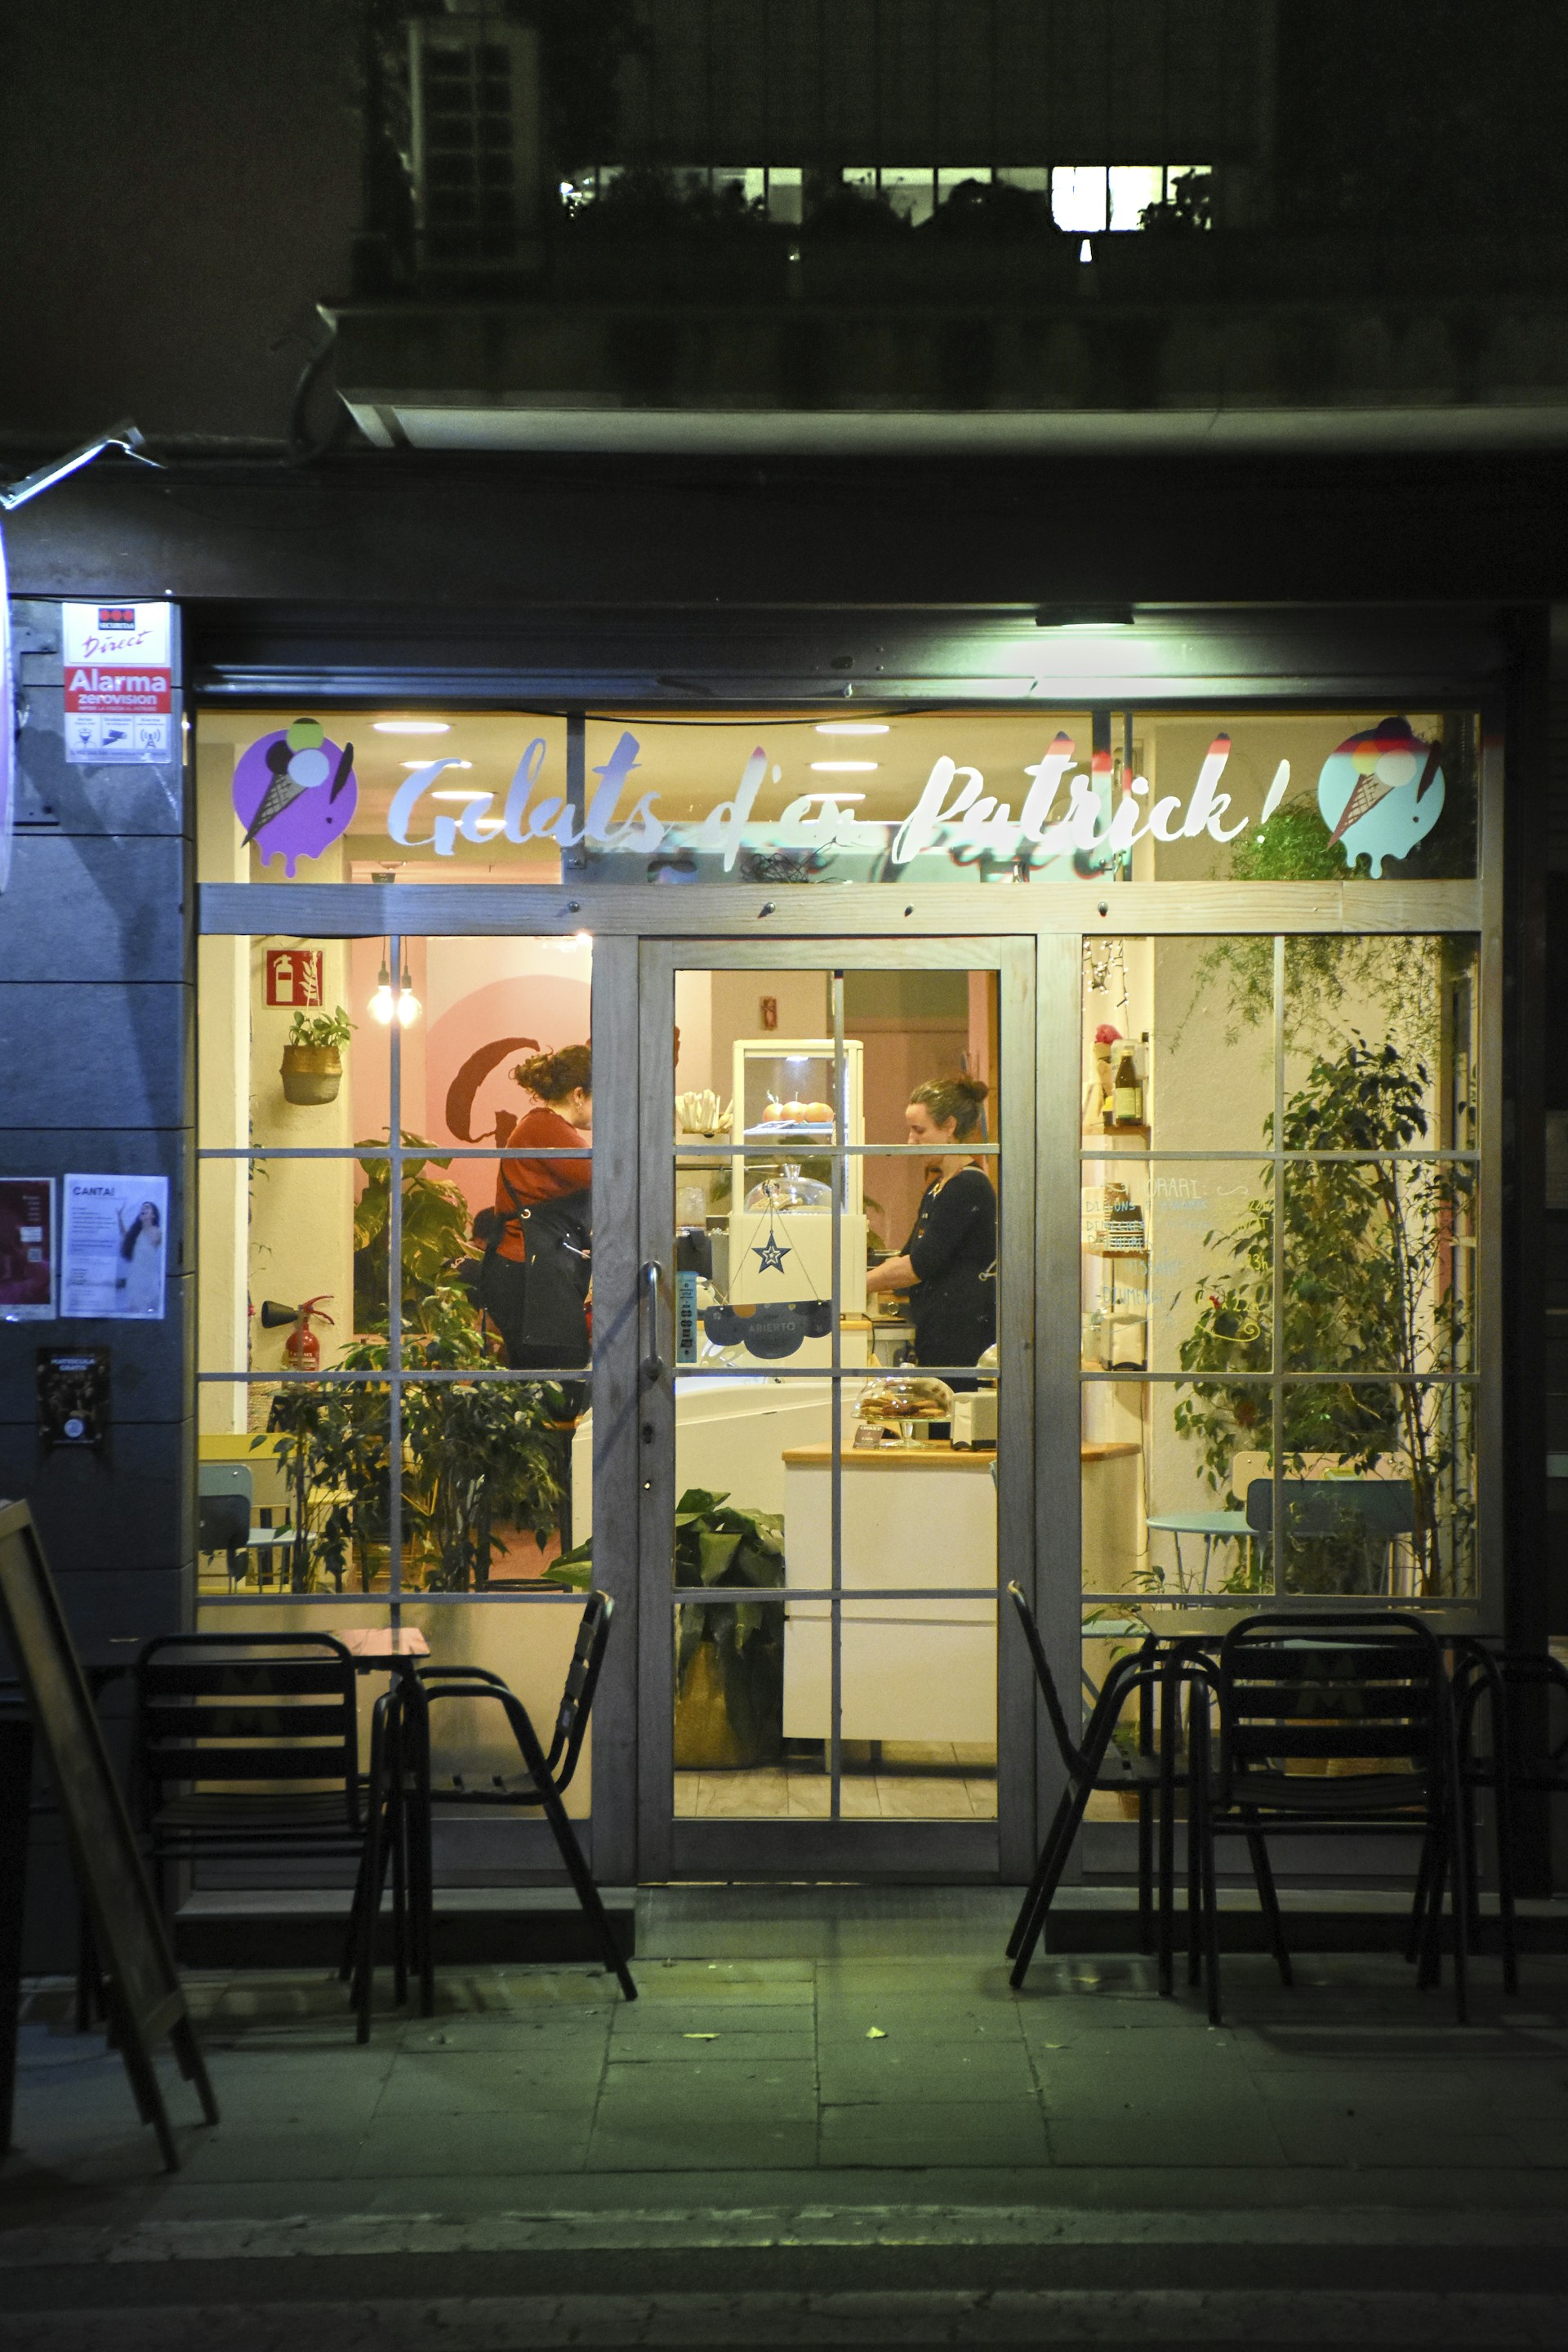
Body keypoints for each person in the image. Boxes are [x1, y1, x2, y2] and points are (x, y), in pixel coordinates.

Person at [865, 1077, 996, 1378]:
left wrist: (855, 1287)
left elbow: (917, 1266)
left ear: (949, 1126)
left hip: (963, 1337)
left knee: (950, 1420)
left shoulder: (968, 1186)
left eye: (919, 1130)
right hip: (940, 1329)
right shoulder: (940, 1186)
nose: (911, 1141)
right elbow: (909, 1253)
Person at [479, 1044, 592, 1383]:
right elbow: (608, 1175)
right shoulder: (545, 1128)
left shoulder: (547, 1127)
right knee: (554, 1380)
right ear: (578, 1094)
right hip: (526, 1277)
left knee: (549, 1378)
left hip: (531, 1272)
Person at [116, 1197, 164, 1316]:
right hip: (135, 1276)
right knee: (133, 1308)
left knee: (147, 1307)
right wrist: (119, 1217)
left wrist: (144, 1223)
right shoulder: (137, 1233)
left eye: (147, 1208)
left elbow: (154, 1240)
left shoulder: (156, 1231)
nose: (143, 1209)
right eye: (143, 1208)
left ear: (153, 1215)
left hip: (147, 1277)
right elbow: (125, 1236)